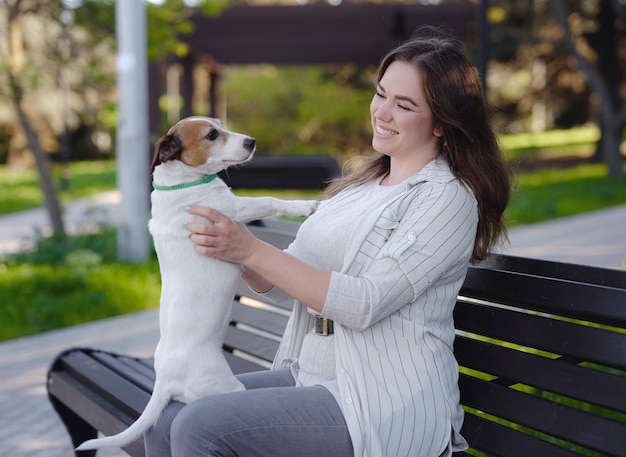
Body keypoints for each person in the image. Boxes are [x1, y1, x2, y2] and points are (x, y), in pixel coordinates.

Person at [145, 26, 511, 457]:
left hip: (382, 399)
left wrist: (248, 248)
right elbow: (276, 283)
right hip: (312, 375)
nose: (382, 112)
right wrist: (219, 244)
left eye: (405, 105)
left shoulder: (446, 197)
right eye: (381, 94)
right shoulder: (359, 186)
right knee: (167, 414)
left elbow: (365, 304)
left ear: (443, 125)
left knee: (201, 428)